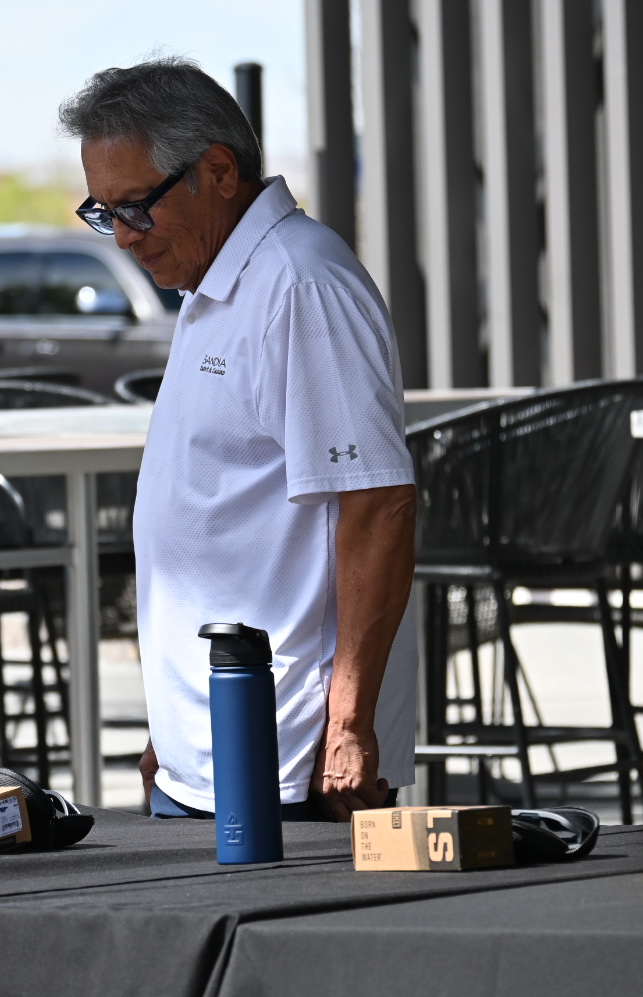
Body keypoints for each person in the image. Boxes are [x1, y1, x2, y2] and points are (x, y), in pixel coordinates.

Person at [58, 58, 417, 823]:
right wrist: (170, 728)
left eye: (136, 207)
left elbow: (379, 506)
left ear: (218, 172)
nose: (122, 238)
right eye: (104, 212)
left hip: (292, 756)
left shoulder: (299, 283)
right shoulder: (217, 278)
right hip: (210, 752)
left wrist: (348, 725)